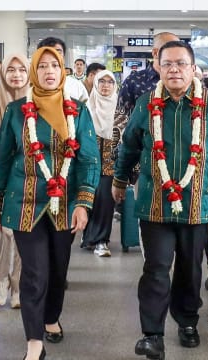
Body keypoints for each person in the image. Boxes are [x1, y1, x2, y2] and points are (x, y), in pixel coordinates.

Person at [114, 41, 208, 360]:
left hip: (197, 205)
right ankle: (152, 334)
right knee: (155, 268)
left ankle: (187, 322)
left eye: (181, 64)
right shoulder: (145, 104)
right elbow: (128, 146)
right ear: (157, 67)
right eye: (167, 63)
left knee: (190, 268)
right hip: (154, 203)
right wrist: (118, 181)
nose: (174, 70)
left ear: (193, 68)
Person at [0, 46, 100, 360]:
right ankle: (34, 343)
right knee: (35, 272)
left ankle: (51, 317)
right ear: (33, 73)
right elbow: (2, 160)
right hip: (24, 202)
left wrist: (83, 203)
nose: (49, 71)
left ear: (62, 71)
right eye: (42, 66)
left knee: (57, 270)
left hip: (65, 204)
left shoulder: (78, 110)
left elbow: (89, 159)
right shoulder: (17, 111)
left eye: (55, 66)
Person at [0, 54, 31, 309]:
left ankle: (18, 284)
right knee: (0, 233)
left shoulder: (36, 102)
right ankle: (0, 280)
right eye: (11, 70)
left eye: (21, 70)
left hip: (27, 179)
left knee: (23, 234)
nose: (16, 75)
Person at [81, 69, 119, 257]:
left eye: (109, 82)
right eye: (101, 81)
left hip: (110, 167)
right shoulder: (85, 109)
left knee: (105, 202)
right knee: (88, 201)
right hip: (86, 166)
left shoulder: (120, 112)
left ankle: (101, 241)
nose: (105, 85)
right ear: (95, 84)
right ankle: (88, 236)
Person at [37, 38, 89, 102]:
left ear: (63, 57)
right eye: (49, 53)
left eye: (58, 52)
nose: (54, 56)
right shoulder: (31, 88)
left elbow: (86, 110)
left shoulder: (76, 86)